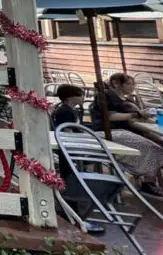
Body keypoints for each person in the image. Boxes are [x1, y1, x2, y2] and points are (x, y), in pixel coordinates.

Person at [91, 73, 163, 202]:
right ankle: (148, 185)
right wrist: (137, 114)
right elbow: (109, 116)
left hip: (129, 130)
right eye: (129, 83)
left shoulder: (128, 100)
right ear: (116, 83)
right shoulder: (106, 95)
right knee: (154, 148)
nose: (132, 86)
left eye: (133, 84)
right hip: (109, 132)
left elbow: (137, 117)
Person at [51, 84, 106, 235]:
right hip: (70, 149)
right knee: (71, 175)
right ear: (70, 97)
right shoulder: (64, 111)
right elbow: (67, 131)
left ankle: (73, 210)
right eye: (80, 95)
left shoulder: (70, 110)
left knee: (72, 174)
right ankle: (73, 211)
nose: (83, 98)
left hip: (72, 148)